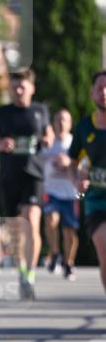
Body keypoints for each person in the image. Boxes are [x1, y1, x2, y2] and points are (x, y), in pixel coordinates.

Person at [0, 69, 54, 300]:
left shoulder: (40, 110)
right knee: (15, 229)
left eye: (23, 86)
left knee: (32, 222)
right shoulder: (1, 113)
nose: (19, 90)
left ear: (32, 88)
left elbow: (50, 136)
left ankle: (31, 274)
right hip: (9, 176)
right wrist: (0, 145)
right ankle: (22, 269)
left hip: (34, 174)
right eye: (15, 87)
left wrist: (47, 140)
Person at [59, 71, 106, 293]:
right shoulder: (83, 128)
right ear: (92, 93)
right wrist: (76, 179)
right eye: (100, 88)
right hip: (96, 201)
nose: (104, 93)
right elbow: (71, 161)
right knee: (104, 248)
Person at [42, 109, 79, 280]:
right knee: (51, 220)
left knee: (70, 231)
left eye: (65, 120)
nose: (61, 123)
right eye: (58, 119)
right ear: (53, 123)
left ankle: (68, 263)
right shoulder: (48, 143)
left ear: (70, 124)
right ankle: (55, 253)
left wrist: (69, 163)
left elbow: (86, 168)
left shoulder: (75, 143)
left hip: (72, 194)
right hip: (51, 192)